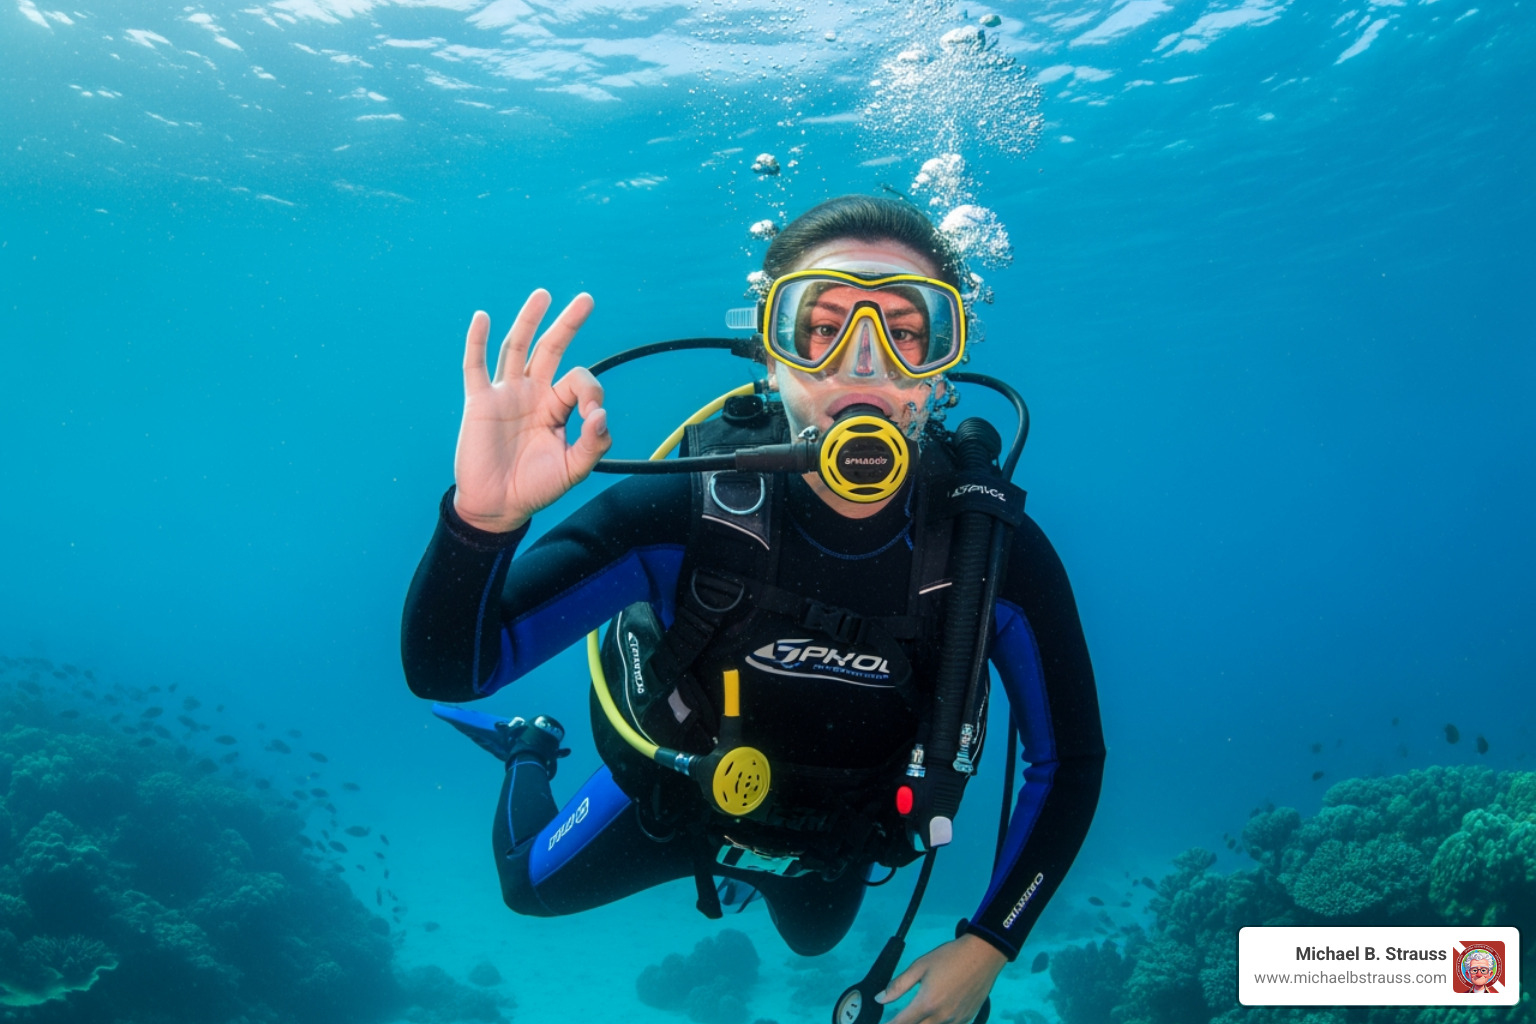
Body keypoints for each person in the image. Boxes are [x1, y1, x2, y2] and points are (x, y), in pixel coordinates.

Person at [402, 195, 1105, 1024]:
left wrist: (991, 945)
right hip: (678, 799)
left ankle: (754, 882)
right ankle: (530, 751)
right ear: (770, 355)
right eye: (824, 325)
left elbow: (1068, 763)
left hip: (838, 840)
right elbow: (453, 668)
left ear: (941, 367)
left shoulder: (991, 551)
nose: (865, 363)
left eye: (907, 331)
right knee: (526, 887)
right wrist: (482, 524)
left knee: (811, 943)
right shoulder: (685, 511)